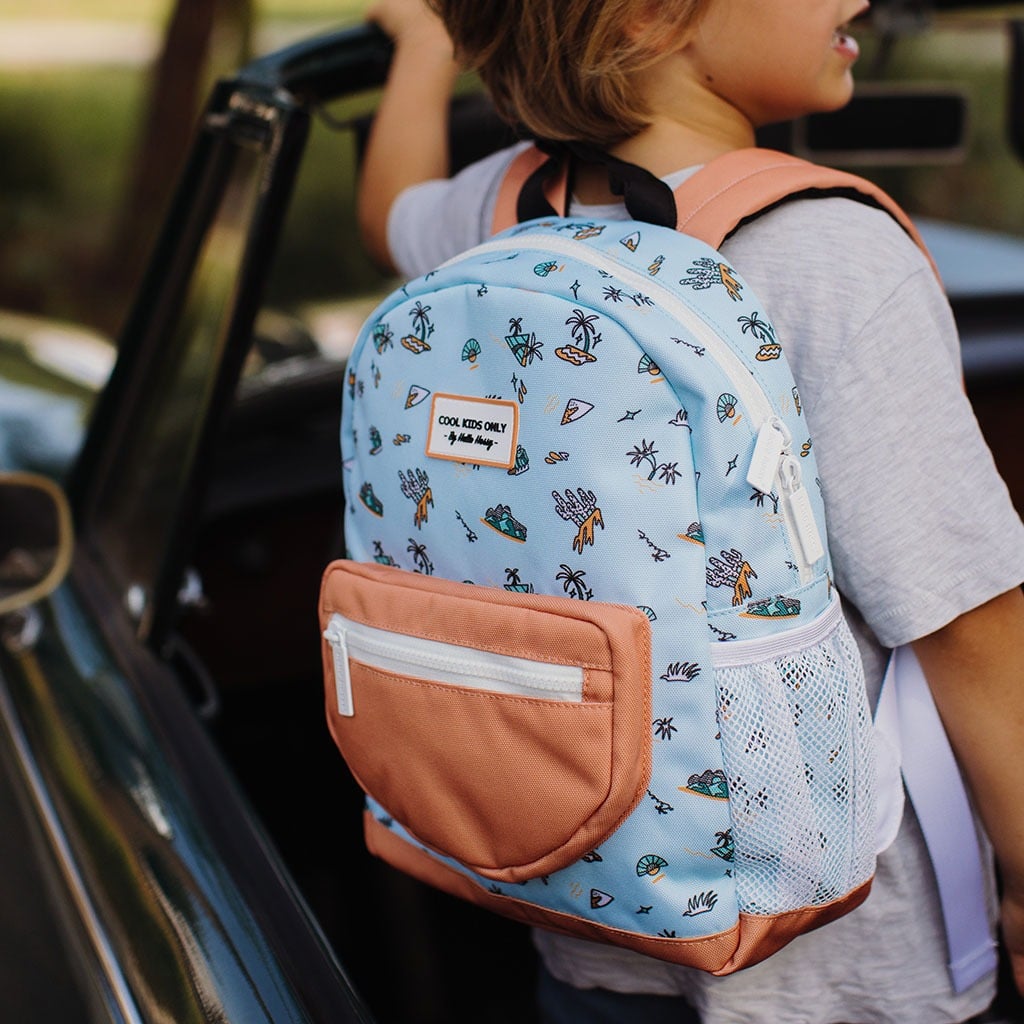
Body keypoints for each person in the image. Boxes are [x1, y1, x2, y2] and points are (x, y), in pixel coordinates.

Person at [355, 1, 1024, 1021]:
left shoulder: (502, 210)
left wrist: (419, 49)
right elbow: (967, 620)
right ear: (650, 18)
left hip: (590, 910)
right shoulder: (825, 253)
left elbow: (388, 209)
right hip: (844, 971)